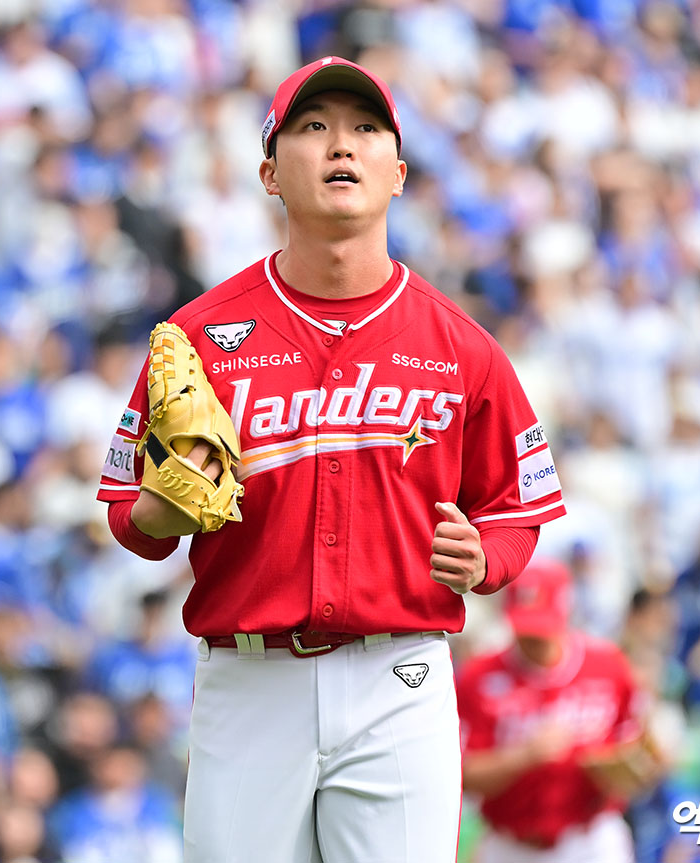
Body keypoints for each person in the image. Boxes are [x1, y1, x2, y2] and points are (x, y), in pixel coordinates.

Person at [98, 56, 566, 862]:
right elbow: (126, 515)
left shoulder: (462, 346)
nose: (340, 144)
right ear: (269, 173)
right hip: (249, 681)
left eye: (364, 128)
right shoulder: (201, 337)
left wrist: (486, 557)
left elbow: (517, 509)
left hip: (401, 675)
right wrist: (158, 510)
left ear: (399, 173)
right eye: (312, 127)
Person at [457, 559, 657, 863]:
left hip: (591, 840)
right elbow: (464, 774)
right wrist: (524, 755)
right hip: (510, 843)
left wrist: (623, 766)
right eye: (523, 625)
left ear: (566, 613)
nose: (531, 637)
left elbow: (638, 747)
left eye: (541, 625)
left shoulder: (608, 666)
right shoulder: (479, 676)